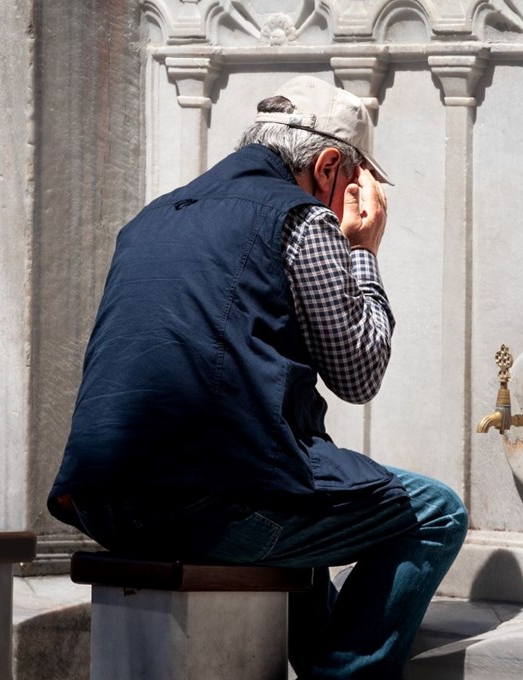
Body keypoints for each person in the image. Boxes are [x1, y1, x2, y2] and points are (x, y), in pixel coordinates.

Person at [46, 75, 467, 678]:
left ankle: (327, 662)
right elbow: (360, 371)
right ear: (327, 167)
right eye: (352, 182)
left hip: (101, 501)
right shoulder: (302, 220)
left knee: (315, 488)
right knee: (436, 513)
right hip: (207, 506)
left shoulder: (152, 217)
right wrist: (364, 251)